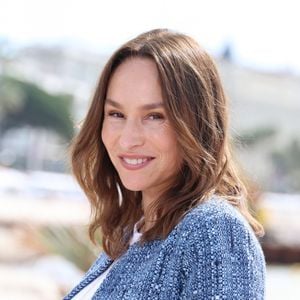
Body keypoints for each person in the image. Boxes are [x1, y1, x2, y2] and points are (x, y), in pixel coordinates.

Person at [64, 28, 266, 300]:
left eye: (155, 116)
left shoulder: (213, 231)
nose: (128, 139)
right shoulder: (129, 235)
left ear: (196, 124)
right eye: (116, 114)